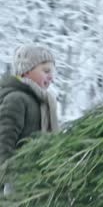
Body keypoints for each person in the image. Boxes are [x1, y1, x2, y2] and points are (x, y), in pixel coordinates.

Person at [0, 45, 59, 194]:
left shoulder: (43, 103)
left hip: (36, 182)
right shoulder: (16, 99)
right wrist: (9, 178)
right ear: (26, 71)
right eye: (46, 71)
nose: (51, 76)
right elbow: (3, 141)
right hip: (16, 185)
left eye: (52, 72)